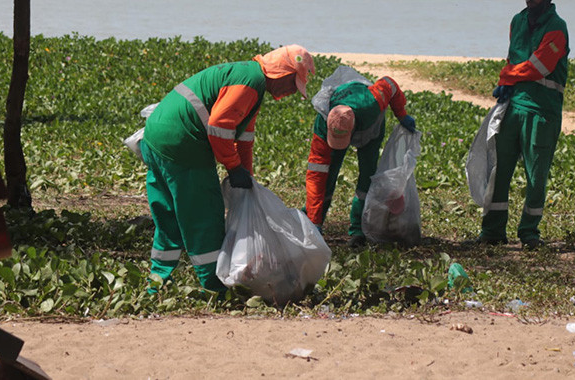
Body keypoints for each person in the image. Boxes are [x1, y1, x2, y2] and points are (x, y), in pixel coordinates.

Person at [140, 45, 315, 292]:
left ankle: (156, 284)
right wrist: (233, 168)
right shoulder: (251, 82)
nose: (290, 92)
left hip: (156, 137)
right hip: (182, 144)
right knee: (204, 216)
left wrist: (247, 177)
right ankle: (213, 287)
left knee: (168, 216)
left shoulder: (249, 77)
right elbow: (219, 126)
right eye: (291, 85)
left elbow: (244, 138)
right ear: (282, 74)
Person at [478, 0, 569, 249]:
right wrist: (508, 84)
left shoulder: (557, 28)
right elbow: (513, 56)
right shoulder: (517, 21)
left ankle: (529, 233)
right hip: (513, 105)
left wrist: (506, 78)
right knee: (499, 169)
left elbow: (538, 66)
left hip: (542, 110)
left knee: (536, 174)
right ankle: (492, 231)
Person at [305, 73, 416, 247]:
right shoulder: (323, 121)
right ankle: (315, 219)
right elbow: (316, 174)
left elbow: (389, 83)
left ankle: (359, 229)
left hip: (371, 131)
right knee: (327, 175)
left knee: (368, 175)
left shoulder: (371, 102)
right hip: (346, 121)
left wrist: (401, 114)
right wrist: (314, 221)